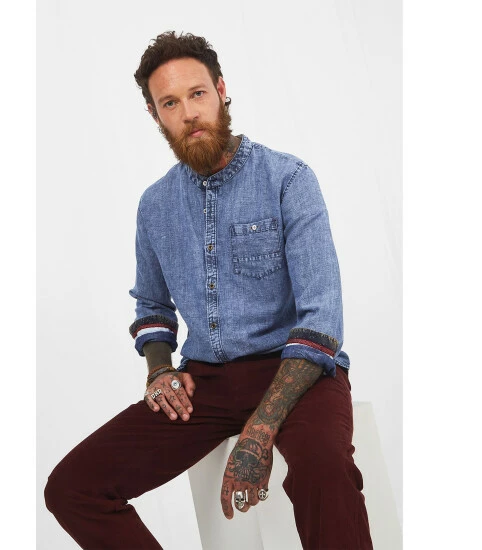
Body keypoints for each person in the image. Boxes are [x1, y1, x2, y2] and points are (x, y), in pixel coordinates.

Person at [44, 31, 373, 549]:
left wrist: (261, 429)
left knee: (324, 469)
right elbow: (152, 308)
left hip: (299, 372)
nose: (188, 113)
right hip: (207, 385)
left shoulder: (288, 179)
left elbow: (322, 319)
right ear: (155, 115)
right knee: (73, 488)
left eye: (197, 94)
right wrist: (160, 371)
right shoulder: (155, 206)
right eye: (170, 103)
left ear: (221, 90)